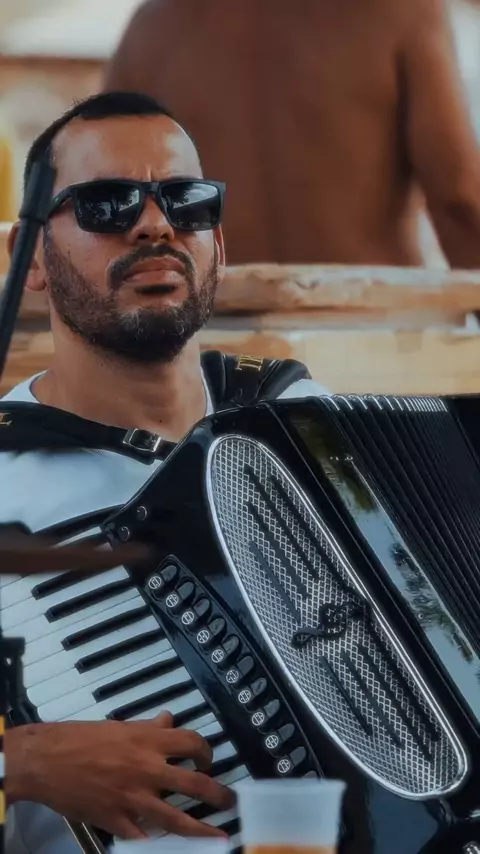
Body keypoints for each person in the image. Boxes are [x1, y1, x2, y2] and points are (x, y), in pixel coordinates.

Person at [0, 91, 329, 854]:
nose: (156, 224)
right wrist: (22, 764)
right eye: (107, 204)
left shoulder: (305, 418)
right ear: (29, 260)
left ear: (220, 244)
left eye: (187, 201)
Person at [103, 0, 480, 268]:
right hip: (371, 325)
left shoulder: (153, 27)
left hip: (218, 330)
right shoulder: (396, 10)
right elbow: (459, 201)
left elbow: (108, 199)